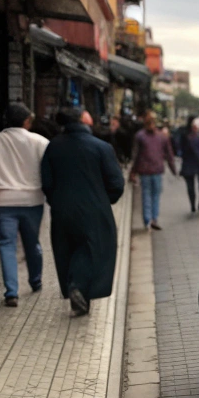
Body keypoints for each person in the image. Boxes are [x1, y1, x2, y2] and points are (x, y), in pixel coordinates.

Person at [40, 105, 125, 316]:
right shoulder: (101, 147)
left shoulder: (53, 146)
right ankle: (77, 286)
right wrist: (105, 201)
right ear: (82, 119)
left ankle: (80, 296)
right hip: (94, 210)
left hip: (61, 209)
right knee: (91, 249)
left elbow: (46, 182)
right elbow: (116, 183)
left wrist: (56, 201)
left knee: (68, 249)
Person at [0, 103, 49, 306]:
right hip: (33, 201)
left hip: (2, 202)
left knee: (6, 245)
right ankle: (35, 280)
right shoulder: (41, 142)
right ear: (27, 121)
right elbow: (47, 172)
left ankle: (11, 292)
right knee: (32, 243)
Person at [130, 110, 177, 230]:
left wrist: (133, 172)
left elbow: (135, 156)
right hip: (155, 170)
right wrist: (173, 169)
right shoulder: (162, 136)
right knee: (154, 195)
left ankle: (148, 220)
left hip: (146, 171)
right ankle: (153, 219)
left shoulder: (140, 136)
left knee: (147, 195)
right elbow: (169, 154)